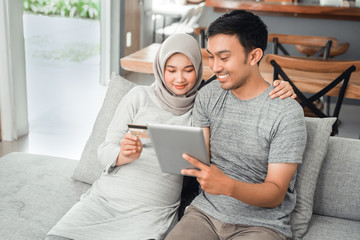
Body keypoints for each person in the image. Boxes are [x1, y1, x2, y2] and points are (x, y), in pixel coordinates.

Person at [46, 33, 295, 240]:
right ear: (160, 68)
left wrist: (281, 87)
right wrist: (121, 154)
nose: (179, 79)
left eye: (188, 70)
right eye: (171, 70)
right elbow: (104, 151)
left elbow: (243, 93)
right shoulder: (138, 97)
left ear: (198, 69)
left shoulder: (203, 105)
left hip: (151, 211)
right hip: (106, 199)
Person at [166, 10, 307, 240]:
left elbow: (275, 194)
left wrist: (227, 186)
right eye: (211, 57)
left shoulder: (286, 113)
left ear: (253, 56)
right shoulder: (208, 96)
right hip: (205, 214)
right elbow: (200, 158)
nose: (215, 66)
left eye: (224, 57)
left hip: (261, 225)